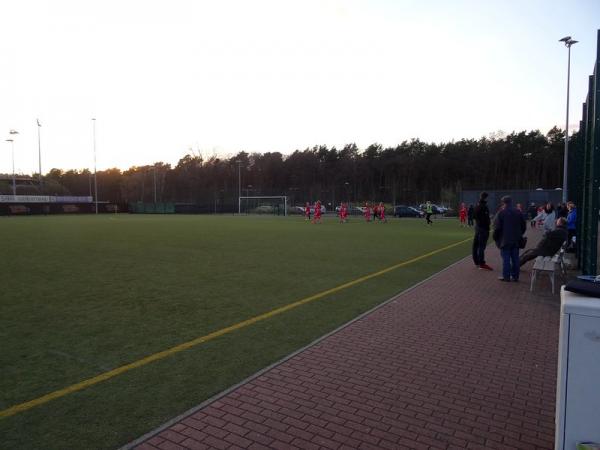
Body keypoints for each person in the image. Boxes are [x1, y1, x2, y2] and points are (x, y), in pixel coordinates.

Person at [493, 196, 526, 281]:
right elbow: (523, 226)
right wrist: (519, 234)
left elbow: (496, 228)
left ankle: (506, 276)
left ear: (503, 203)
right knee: (515, 258)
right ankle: (515, 276)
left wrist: (496, 238)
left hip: (505, 240)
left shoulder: (501, 213)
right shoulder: (518, 212)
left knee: (506, 259)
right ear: (511, 202)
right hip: (516, 239)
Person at [473, 192, 492, 270]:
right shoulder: (483, 206)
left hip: (478, 228)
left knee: (475, 246)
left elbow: (474, 216)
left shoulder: (477, 205)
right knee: (481, 246)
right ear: (486, 198)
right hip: (483, 229)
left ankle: (477, 262)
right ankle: (481, 263)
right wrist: (488, 221)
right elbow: (486, 219)